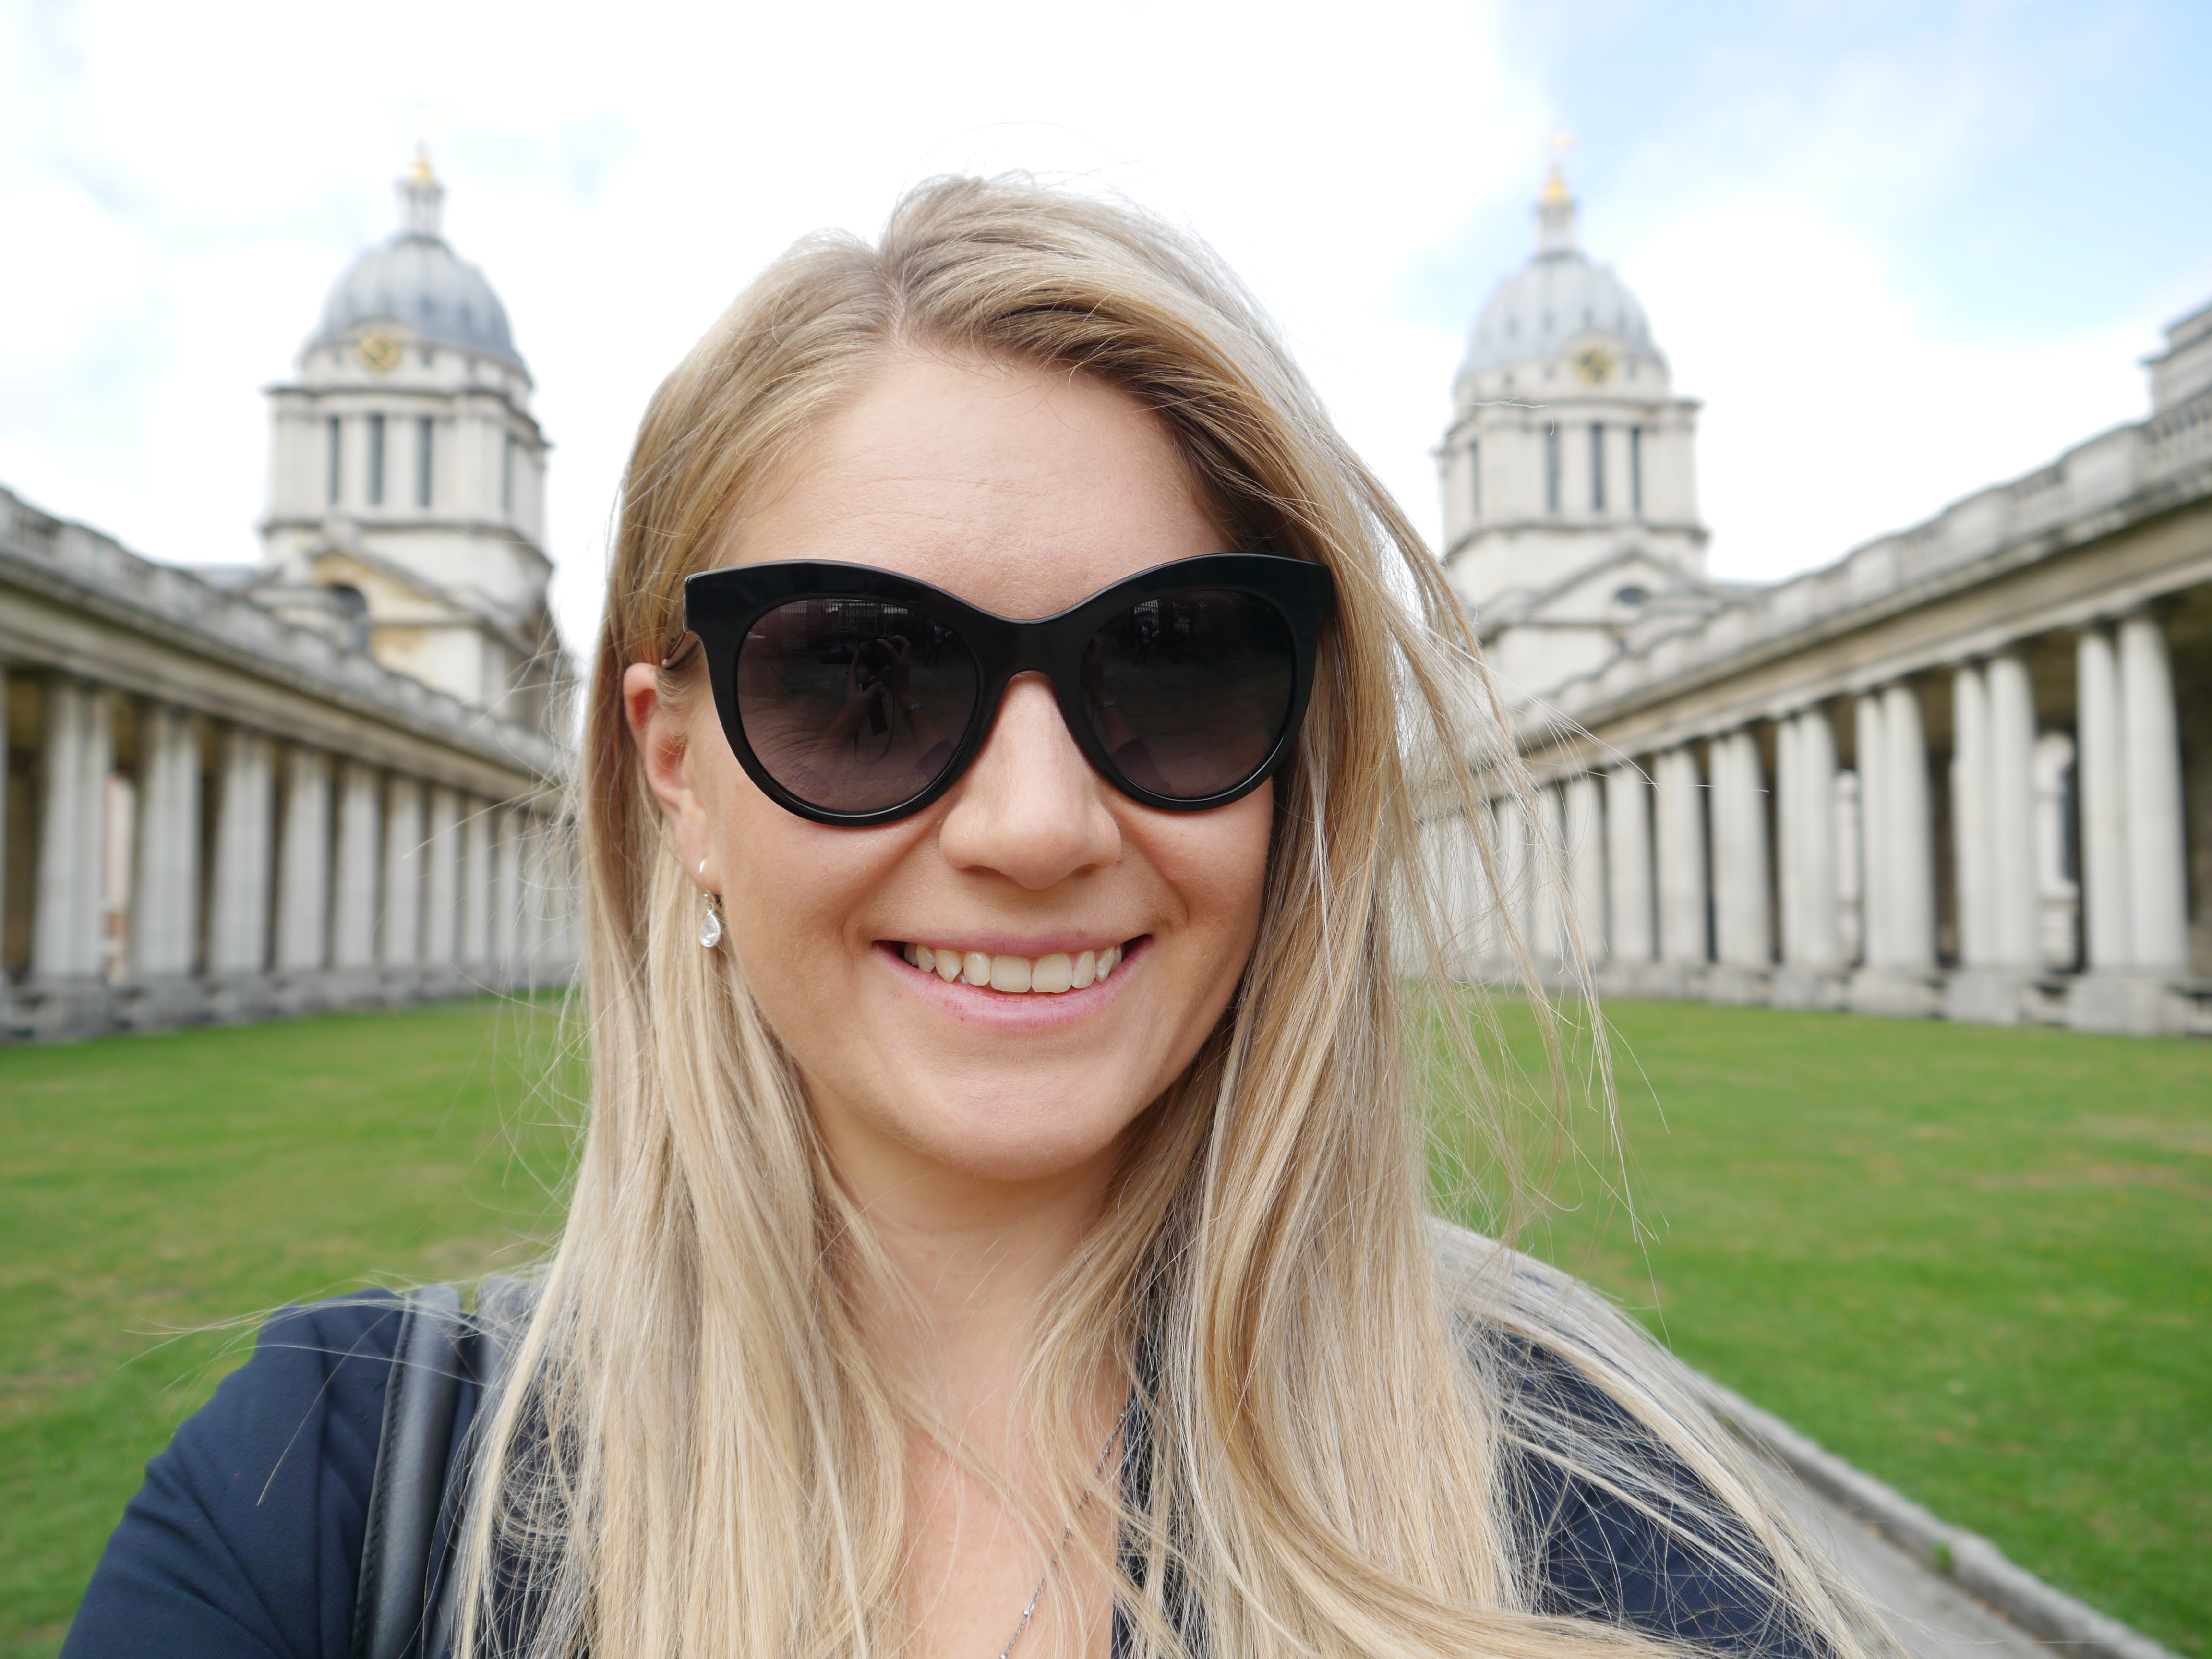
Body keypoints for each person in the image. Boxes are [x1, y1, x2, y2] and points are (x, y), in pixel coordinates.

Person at [65, 176, 1895, 1659]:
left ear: (1296, 763)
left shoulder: (1608, 1508)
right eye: (858, 677)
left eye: (1176, 668)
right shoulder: (321, 1502)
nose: (1034, 828)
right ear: (678, 772)